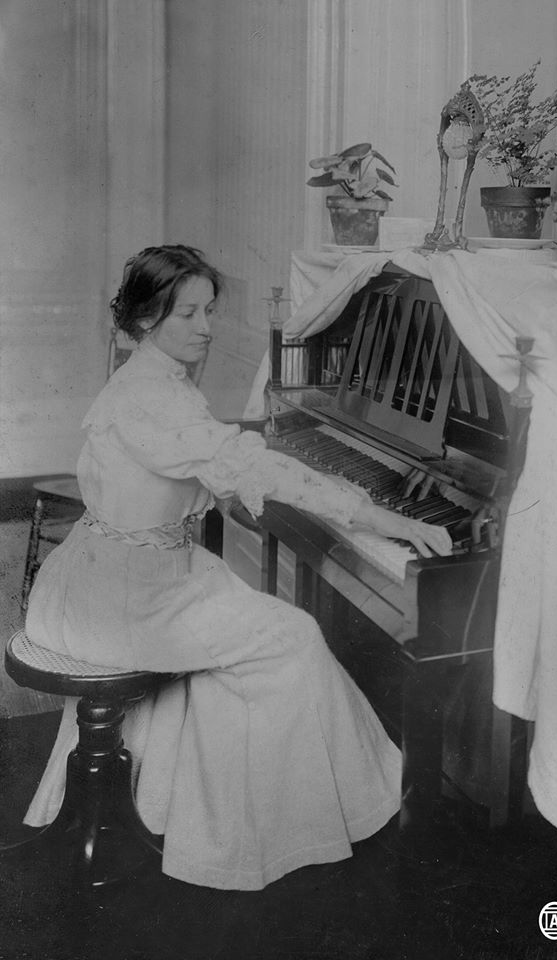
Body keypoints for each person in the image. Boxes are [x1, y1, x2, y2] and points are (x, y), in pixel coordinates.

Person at [24, 244, 452, 891]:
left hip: (110, 574)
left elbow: (198, 470)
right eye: (188, 314)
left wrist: (255, 488)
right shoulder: (154, 396)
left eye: (209, 311)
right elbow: (251, 466)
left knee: (246, 618)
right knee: (294, 637)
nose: (206, 327)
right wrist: (386, 518)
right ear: (147, 320)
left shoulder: (154, 376)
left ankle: (187, 811)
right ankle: (281, 831)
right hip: (124, 599)